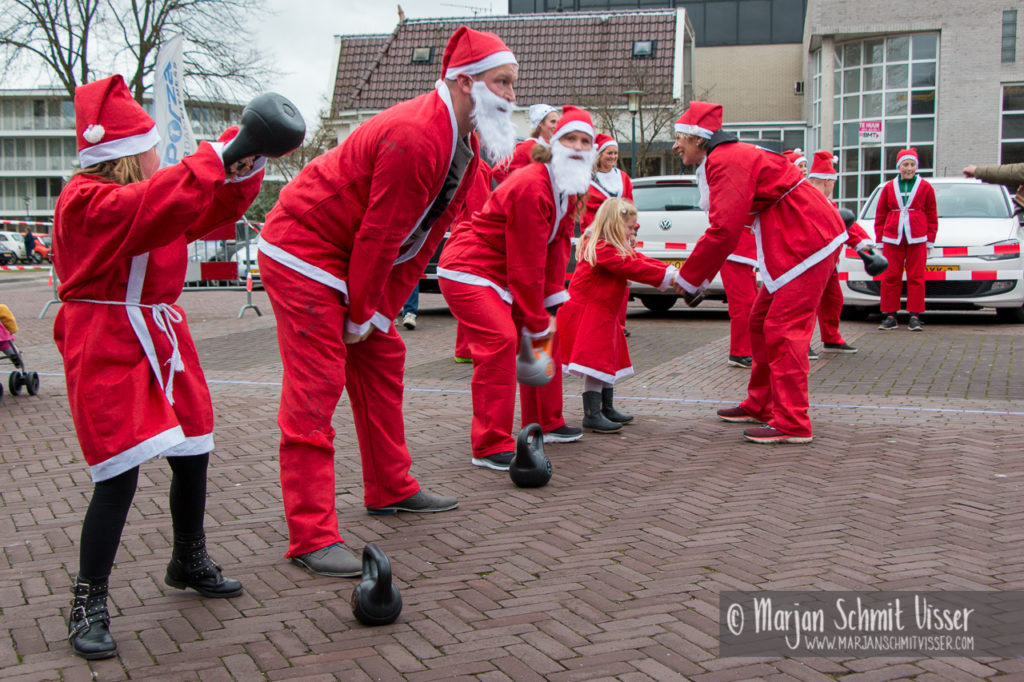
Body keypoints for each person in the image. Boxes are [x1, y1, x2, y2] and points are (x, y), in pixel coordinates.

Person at [256, 26, 518, 577]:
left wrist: (377, 313)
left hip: (347, 257)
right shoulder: (417, 134)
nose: (512, 95)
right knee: (317, 384)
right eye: (503, 82)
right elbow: (381, 234)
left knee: (384, 357)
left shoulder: (464, 143)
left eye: (513, 83)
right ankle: (311, 534)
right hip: (304, 251)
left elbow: (422, 238)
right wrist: (358, 314)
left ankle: (390, 486)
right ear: (467, 82)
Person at [52, 74, 263, 659]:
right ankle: (88, 599)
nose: (158, 154)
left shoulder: (152, 192)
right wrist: (215, 155)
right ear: (125, 155)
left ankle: (187, 558)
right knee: (118, 472)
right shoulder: (86, 201)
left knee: (193, 451)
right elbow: (154, 203)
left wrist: (242, 157)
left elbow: (203, 209)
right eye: (148, 146)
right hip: (106, 339)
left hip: (161, 334)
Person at [671, 101, 847, 444]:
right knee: (759, 320)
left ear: (699, 139)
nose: (675, 146)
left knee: (783, 329)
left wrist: (689, 279)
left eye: (680, 138)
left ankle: (793, 421)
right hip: (799, 235)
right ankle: (761, 403)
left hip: (805, 239)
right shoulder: (725, 157)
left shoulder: (725, 160)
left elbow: (723, 229)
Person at [438, 105, 596, 469]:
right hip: (469, 268)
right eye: (569, 138)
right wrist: (536, 316)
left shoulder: (567, 188)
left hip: (501, 274)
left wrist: (550, 302)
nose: (576, 146)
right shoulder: (532, 186)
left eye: (584, 141)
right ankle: (490, 444)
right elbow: (526, 265)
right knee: (502, 340)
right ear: (552, 143)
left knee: (539, 336)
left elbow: (556, 249)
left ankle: (544, 423)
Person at [557, 198, 678, 433]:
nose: (633, 231)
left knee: (606, 358)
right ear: (614, 224)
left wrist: (669, 272)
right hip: (590, 312)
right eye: (630, 227)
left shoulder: (608, 246)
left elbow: (637, 260)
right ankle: (593, 413)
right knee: (596, 361)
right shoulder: (602, 247)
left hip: (601, 312)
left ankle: (605, 406)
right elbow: (632, 266)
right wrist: (669, 277)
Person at [806, 151, 874, 354]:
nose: (833, 187)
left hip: (828, 262)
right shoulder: (811, 200)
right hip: (812, 262)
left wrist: (862, 244)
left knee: (833, 299)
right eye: (833, 183)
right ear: (827, 181)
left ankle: (831, 336)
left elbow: (845, 225)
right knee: (808, 303)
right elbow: (841, 225)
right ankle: (803, 341)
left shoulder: (824, 202)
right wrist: (860, 242)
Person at [873, 147, 937, 332]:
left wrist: (930, 240)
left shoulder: (925, 186)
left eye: (912, 164)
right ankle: (890, 314)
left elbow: (932, 215)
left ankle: (915, 315)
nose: (908, 168)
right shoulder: (888, 187)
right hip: (892, 236)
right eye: (905, 164)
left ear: (916, 166)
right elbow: (880, 215)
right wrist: (879, 240)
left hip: (917, 236)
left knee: (916, 276)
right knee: (890, 275)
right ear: (898, 166)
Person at [491, 103, 559, 184]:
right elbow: (499, 171)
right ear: (540, 123)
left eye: (558, 122)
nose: (556, 126)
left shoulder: (554, 146)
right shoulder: (528, 146)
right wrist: (520, 190)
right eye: (553, 122)